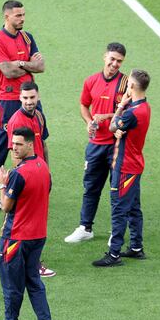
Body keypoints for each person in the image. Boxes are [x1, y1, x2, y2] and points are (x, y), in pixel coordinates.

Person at [0, 127, 54, 320]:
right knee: (33, 280)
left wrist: (2, 184)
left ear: (31, 144)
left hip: (16, 238)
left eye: (19, 144)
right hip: (38, 235)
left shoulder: (18, 174)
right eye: (13, 144)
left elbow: (6, 206)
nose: (14, 148)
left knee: (11, 285)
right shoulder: (43, 167)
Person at [0, 0, 45, 211]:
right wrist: (28, 66)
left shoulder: (28, 37)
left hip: (31, 97)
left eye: (23, 14)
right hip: (8, 100)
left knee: (38, 139)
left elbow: (41, 66)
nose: (23, 18)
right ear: (6, 17)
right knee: (3, 144)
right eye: (18, 15)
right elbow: (7, 72)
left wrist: (20, 64)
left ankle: (39, 180)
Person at [65, 43, 128, 243]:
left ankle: (116, 233)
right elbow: (84, 105)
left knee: (117, 189)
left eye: (119, 61)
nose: (115, 64)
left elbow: (133, 111)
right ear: (104, 57)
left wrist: (105, 116)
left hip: (117, 145)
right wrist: (89, 122)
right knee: (91, 186)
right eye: (112, 59)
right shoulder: (91, 81)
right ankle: (85, 227)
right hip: (96, 145)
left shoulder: (126, 83)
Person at [92, 69, 151, 267]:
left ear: (132, 86)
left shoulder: (133, 112)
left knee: (119, 209)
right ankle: (136, 247)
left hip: (125, 167)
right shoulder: (144, 107)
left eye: (128, 84)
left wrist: (120, 107)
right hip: (134, 165)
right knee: (133, 207)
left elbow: (111, 128)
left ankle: (114, 254)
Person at [5, 82, 55, 278]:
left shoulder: (40, 116)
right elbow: (15, 153)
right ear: (19, 98)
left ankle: (27, 261)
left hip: (40, 175)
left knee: (37, 219)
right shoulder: (17, 121)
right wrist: (21, 179)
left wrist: (47, 173)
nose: (28, 102)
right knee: (24, 220)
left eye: (32, 98)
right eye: (25, 98)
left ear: (38, 97)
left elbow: (44, 145)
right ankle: (31, 263)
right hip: (28, 179)